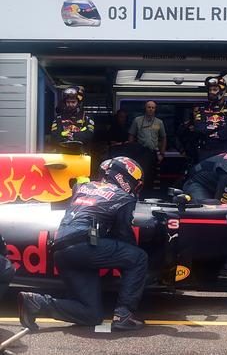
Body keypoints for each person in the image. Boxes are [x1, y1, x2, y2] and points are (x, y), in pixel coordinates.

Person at [18, 157, 148, 331]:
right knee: (138, 257)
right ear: (125, 177)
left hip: (60, 249)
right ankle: (124, 314)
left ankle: (36, 302)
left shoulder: (80, 187)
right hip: (84, 246)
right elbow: (124, 237)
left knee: (91, 315)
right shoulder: (123, 197)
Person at [128, 100, 167, 194]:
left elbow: (164, 138)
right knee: (139, 175)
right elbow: (131, 135)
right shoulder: (137, 120)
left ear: (155, 110)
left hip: (152, 153)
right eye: (149, 107)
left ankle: (148, 195)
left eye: (153, 108)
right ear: (145, 108)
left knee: (151, 176)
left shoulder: (159, 122)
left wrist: (162, 153)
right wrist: (131, 150)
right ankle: (138, 195)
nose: (151, 109)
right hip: (140, 152)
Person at [195, 76, 227, 161]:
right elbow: (200, 129)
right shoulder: (201, 108)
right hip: (205, 151)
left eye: (214, 90)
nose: (211, 92)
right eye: (210, 90)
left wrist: (209, 126)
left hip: (225, 152)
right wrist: (220, 126)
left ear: (222, 91)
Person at [50, 86, 95, 152]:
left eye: (73, 102)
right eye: (68, 102)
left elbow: (89, 135)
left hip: (81, 154)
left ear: (79, 103)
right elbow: (55, 136)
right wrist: (78, 134)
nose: (70, 104)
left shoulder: (86, 117)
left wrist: (68, 135)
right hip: (62, 153)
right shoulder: (59, 117)